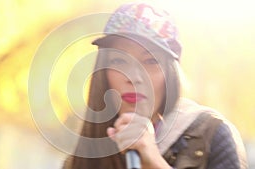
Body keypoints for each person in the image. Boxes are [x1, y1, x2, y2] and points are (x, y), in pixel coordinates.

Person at [62, 2, 248, 169]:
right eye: (119, 61)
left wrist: (153, 161)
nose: (134, 77)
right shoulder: (81, 158)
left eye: (150, 61)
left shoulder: (211, 133)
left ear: (170, 73)